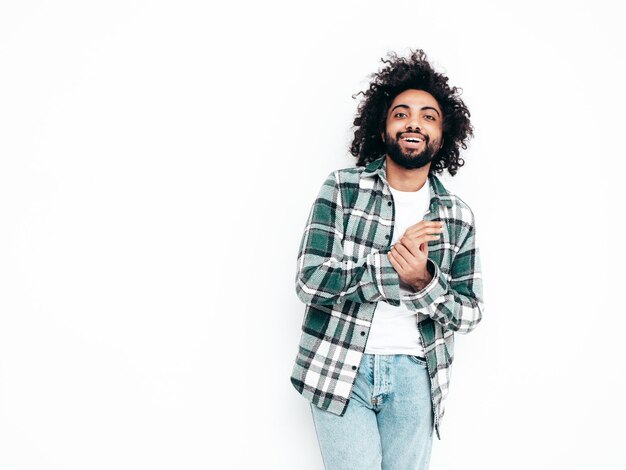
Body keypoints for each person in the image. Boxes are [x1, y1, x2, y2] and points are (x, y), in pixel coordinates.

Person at [290, 49, 484, 470]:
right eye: (401, 113)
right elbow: (308, 281)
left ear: (443, 134)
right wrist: (390, 268)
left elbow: (469, 314)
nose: (414, 122)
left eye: (428, 116)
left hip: (417, 376)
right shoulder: (343, 189)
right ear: (383, 127)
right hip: (339, 368)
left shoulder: (458, 216)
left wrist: (423, 282)